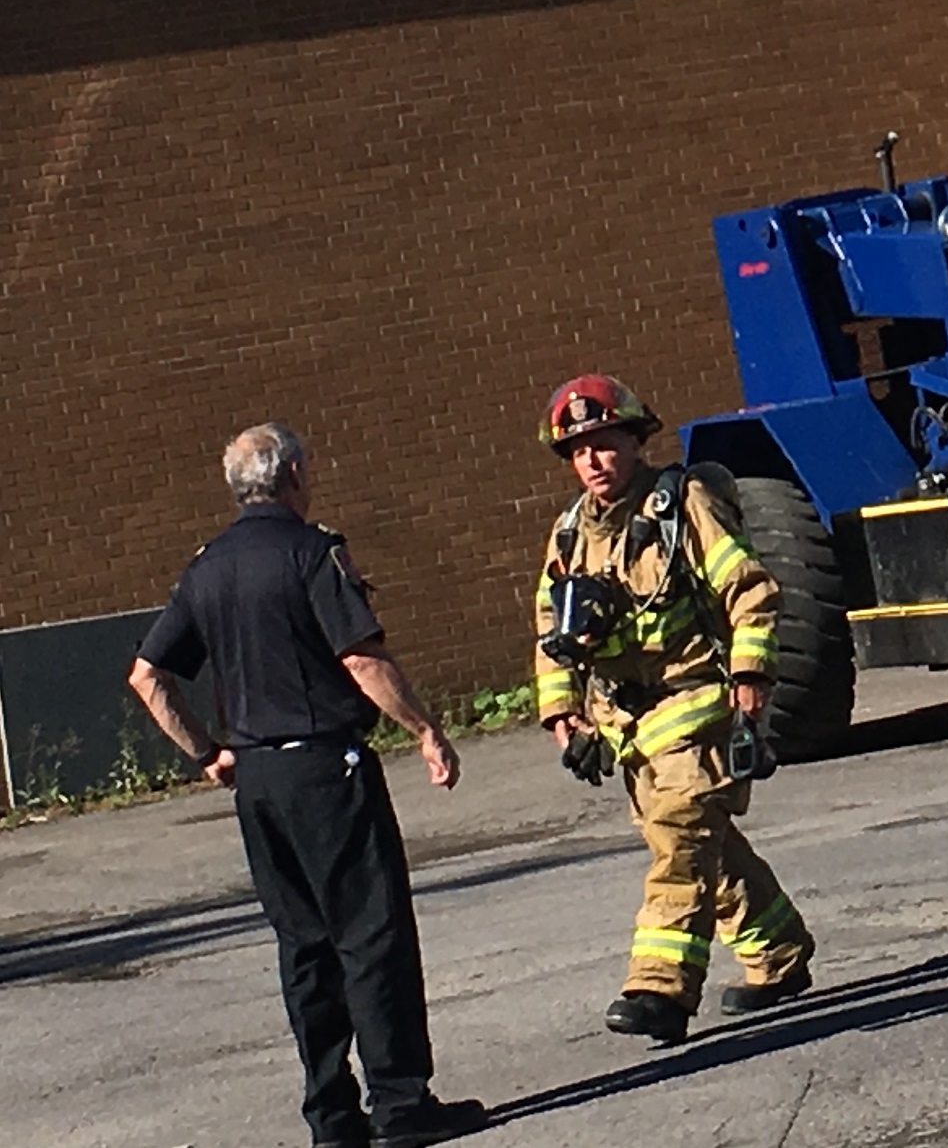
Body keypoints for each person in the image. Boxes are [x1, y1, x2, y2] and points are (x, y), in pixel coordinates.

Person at [125, 424, 485, 1148]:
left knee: (304, 946)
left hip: (257, 778)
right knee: (371, 934)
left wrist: (206, 754)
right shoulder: (311, 552)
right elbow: (361, 659)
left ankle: (332, 1114)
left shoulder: (205, 570)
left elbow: (147, 674)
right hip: (327, 768)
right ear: (291, 472)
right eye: (307, 468)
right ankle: (400, 1101)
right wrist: (424, 729)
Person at [531, 373, 815, 1044]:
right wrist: (561, 711)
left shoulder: (681, 503)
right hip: (627, 729)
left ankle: (658, 990)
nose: (593, 461)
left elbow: (748, 588)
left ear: (634, 439)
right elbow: (551, 628)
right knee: (699, 845)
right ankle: (777, 954)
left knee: (681, 849)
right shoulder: (570, 533)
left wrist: (751, 671)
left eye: (604, 443)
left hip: (695, 708)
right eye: (578, 450)